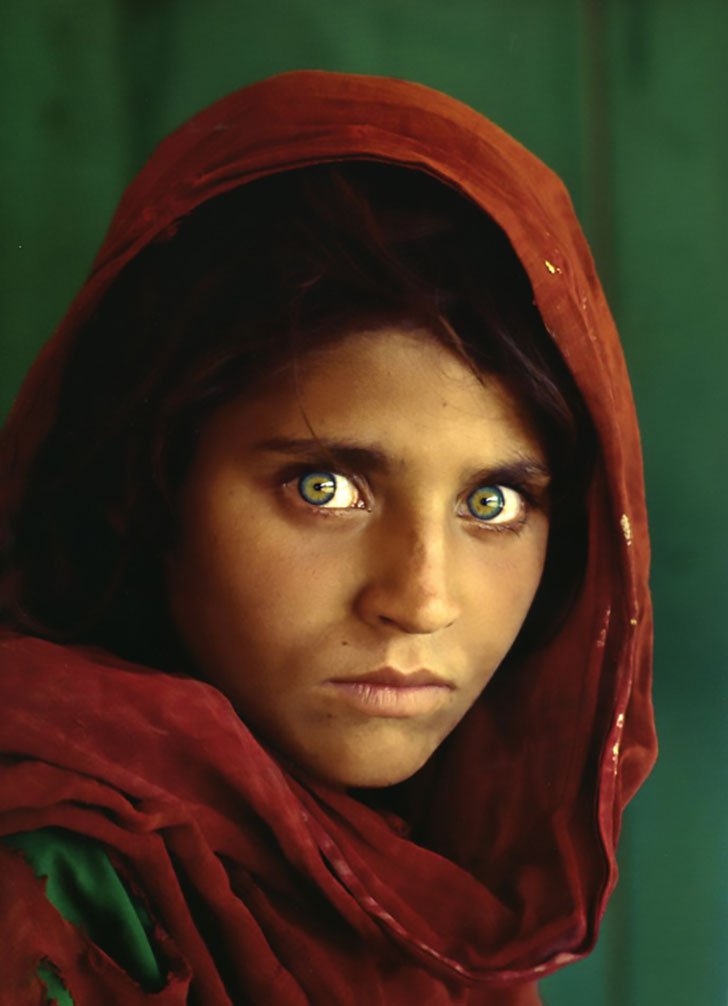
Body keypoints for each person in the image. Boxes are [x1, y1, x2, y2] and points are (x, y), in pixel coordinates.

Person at [0, 70, 656, 1005]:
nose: (422, 598)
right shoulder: (45, 890)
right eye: (327, 487)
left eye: (494, 504)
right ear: (148, 483)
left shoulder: (426, 896)